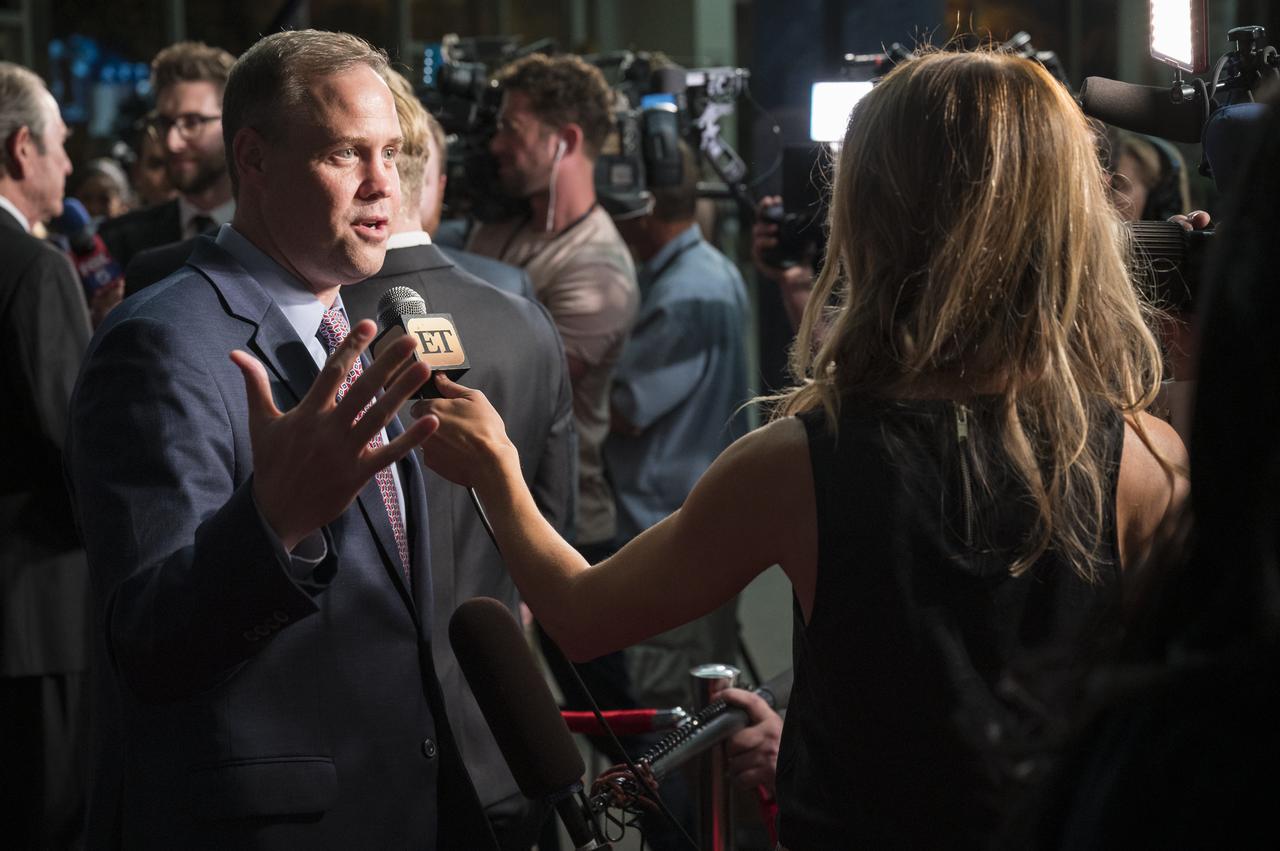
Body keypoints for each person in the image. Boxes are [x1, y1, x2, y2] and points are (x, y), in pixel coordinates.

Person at [413, 49, 1188, 849]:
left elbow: (582, 616)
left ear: (873, 213)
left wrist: (497, 472)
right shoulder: (1148, 458)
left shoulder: (796, 463)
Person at [66, 30, 494, 848]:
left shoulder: (354, 324)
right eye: (345, 153)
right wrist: (272, 524)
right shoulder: (159, 342)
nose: (383, 183)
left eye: (392, 153)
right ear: (254, 160)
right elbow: (150, 642)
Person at [340, 67, 575, 850]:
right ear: (432, 180)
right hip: (504, 735)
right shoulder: (526, 320)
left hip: (359, 754)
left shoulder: (318, 327)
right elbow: (554, 528)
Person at [465, 53, 639, 558]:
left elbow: (524, 392)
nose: (496, 145)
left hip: (564, 529)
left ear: (567, 140)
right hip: (496, 512)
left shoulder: (599, 270)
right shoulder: (497, 229)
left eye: (512, 130)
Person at [0, 60, 93, 850]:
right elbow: (75, 443)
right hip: (35, 618)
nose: (68, 161)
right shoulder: (35, 267)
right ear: (21, 148)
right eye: (60, 142)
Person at [99, 41, 235, 269]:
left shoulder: (278, 234)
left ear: (232, 121)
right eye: (165, 123)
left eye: (192, 122)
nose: (172, 143)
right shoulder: (118, 241)